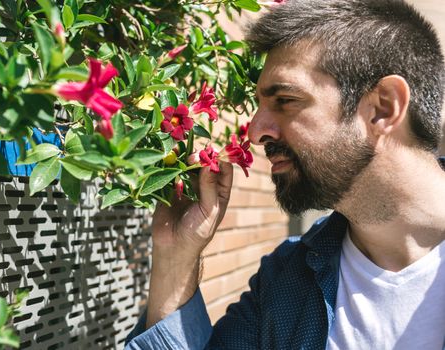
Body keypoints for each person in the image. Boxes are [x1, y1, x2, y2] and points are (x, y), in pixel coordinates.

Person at [125, 0, 445, 348]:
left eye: (286, 100)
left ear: (383, 107)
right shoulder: (285, 278)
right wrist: (176, 257)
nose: (255, 133)